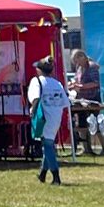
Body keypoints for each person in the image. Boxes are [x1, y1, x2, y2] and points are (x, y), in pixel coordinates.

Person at [27, 56, 70, 187]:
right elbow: (65, 102)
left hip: (44, 116)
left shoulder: (36, 81)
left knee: (47, 146)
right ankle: (43, 174)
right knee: (49, 143)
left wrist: (32, 111)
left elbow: (35, 98)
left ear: (39, 70)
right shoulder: (57, 83)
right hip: (56, 116)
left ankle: (56, 176)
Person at [69, 49, 104, 156]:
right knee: (82, 122)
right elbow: (77, 80)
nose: (76, 64)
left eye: (77, 60)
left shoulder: (92, 67)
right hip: (82, 100)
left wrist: (81, 86)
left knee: (96, 123)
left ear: (82, 57)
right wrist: (73, 84)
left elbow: (95, 83)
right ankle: (86, 148)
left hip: (93, 99)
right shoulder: (79, 68)